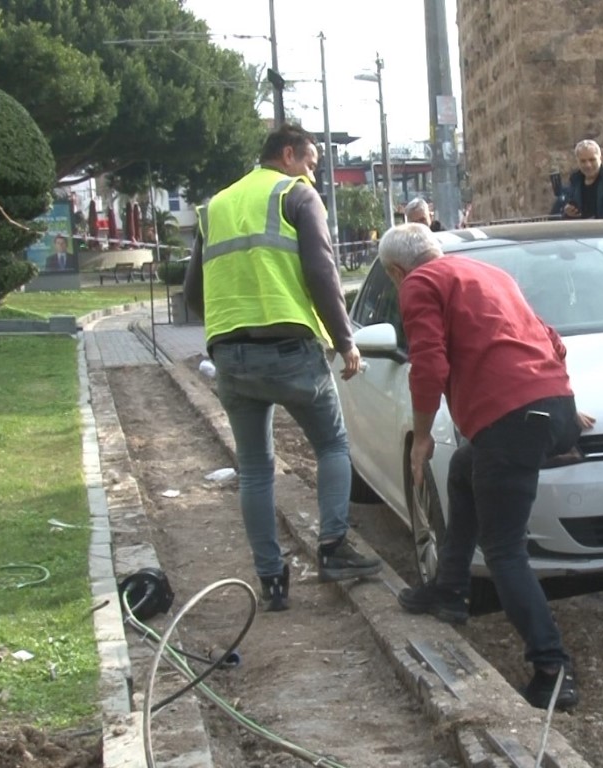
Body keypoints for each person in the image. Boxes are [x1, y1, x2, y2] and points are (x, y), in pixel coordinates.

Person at [384, 224, 589, 711]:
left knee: (503, 551)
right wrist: (560, 404)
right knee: (463, 468)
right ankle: (451, 590)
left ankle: (551, 667)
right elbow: (548, 337)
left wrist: (420, 439)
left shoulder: (419, 283)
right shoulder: (486, 272)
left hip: (511, 420)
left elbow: (429, 366)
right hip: (551, 407)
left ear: (396, 270)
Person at [184, 123, 382, 611]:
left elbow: (192, 290)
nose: (314, 174)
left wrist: (227, 328)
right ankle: (333, 548)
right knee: (333, 445)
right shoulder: (296, 196)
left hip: (231, 354)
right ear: (289, 155)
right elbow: (322, 271)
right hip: (292, 349)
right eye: (312, 164)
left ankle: (271, 580)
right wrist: (345, 340)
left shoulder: (216, 206)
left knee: (254, 469)